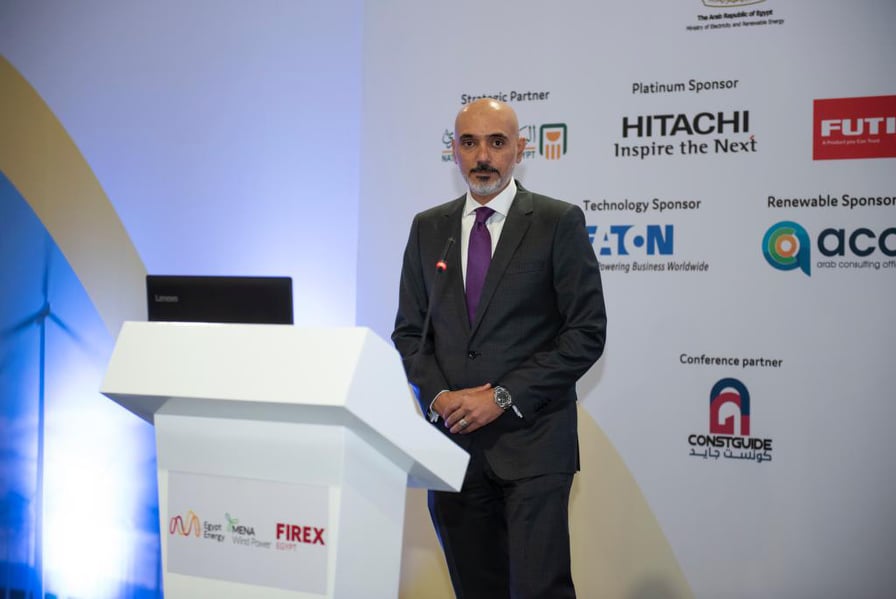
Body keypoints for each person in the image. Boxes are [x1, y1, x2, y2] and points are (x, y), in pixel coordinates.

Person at [392, 98, 607, 598]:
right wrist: (438, 396)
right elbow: (410, 333)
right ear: (454, 150)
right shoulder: (428, 227)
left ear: (520, 149)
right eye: (469, 143)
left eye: (496, 142)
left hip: (533, 448)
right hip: (453, 449)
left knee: (538, 590)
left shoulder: (557, 222)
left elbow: (585, 333)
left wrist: (502, 396)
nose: (482, 156)